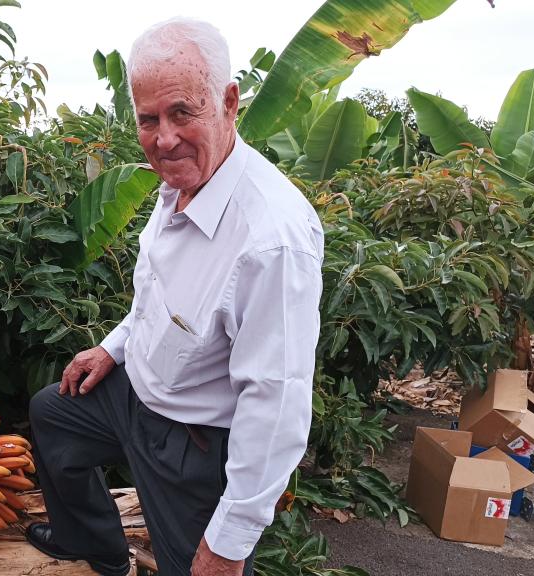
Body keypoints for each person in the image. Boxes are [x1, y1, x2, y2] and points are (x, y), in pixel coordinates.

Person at [26, 16, 324, 576]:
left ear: (229, 102)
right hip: (136, 392)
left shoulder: (271, 241)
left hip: (193, 441)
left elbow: (277, 401)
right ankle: (97, 546)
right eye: (148, 119)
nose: (163, 138)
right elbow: (160, 295)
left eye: (183, 112)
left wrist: (229, 543)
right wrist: (113, 349)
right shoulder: (182, 181)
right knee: (53, 415)